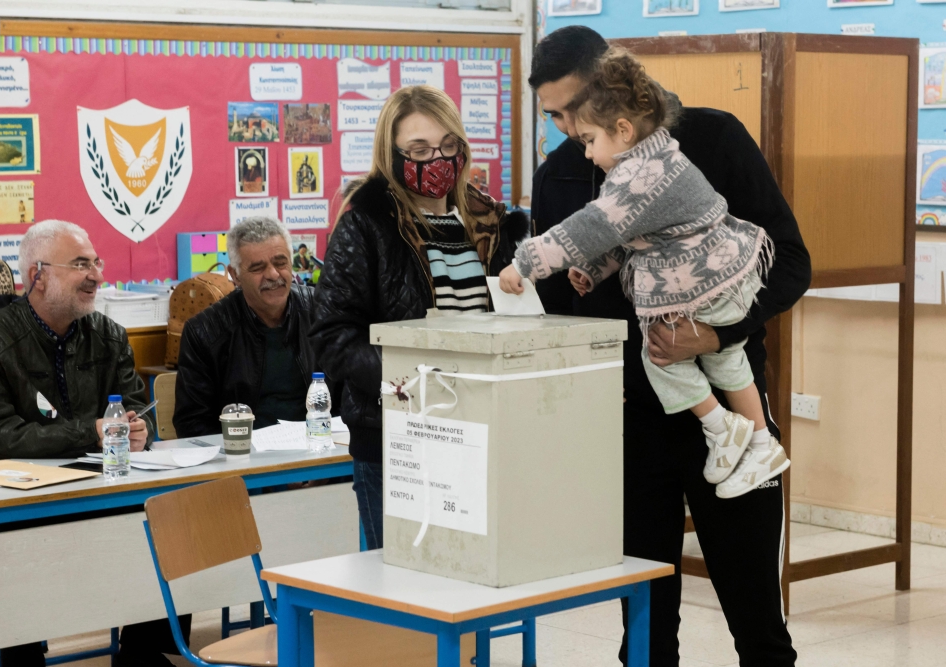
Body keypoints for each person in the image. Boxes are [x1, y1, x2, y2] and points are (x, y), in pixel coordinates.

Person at [529, 26, 810, 667]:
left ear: (614, 86)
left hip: (729, 415)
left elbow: (790, 262)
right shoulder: (561, 175)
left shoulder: (712, 138)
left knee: (758, 624)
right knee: (646, 632)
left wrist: (715, 334)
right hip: (629, 424)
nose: (568, 127)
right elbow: (563, 314)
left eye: (574, 108)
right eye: (554, 115)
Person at [502, 48, 790, 498]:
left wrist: (524, 263)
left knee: (661, 357)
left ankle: (720, 426)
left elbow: (596, 225)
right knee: (727, 364)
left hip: (702, 288)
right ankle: (758, 441)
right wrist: (594, 270)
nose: (581, 146)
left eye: (587, 135)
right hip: (721, 278)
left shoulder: (654, 166)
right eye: (555, 117)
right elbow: (638, 236)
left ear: (620, 124)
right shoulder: (658, 155)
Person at [0, 219, 188, 667]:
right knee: (17, 538)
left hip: (93, 482)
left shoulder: (109, 335)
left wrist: (139, 431)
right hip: (5, 493)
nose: (97, 275)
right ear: (37, 275)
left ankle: (143, 650)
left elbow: (139, 415)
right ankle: (19, 649)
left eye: (96, 262)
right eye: (81, 264)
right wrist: (93, 431)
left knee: (167, 511)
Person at [310, 85, 529, 550]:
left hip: (480, 430)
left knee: (474, 576)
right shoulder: (367, 223)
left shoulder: (489, 220)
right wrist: (403, 384)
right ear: (392, 156)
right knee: (402, 591)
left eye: (449, 146)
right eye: (420, 150)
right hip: (397, 437)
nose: (438, 161)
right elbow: (332, 334)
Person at [174, 217, 323, 436]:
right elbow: (192, 425)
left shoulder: (322, 312)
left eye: (281, 263)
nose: (273, 275)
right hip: (242, 457)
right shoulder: (204, 332)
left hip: (321, 449)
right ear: (235, 276)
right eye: (257, 268)